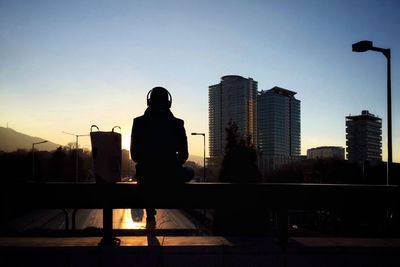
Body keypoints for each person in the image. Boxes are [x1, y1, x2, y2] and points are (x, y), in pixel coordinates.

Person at [130, 86, 192, 225]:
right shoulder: (177, 123)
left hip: (146, 176)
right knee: (189, 171)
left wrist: (150, 161)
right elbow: (184, 154)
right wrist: (170, 164)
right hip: (170, 175)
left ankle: (150, 214)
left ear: (149, 101)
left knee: (146, 174)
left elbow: (134, 155)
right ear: (169, 102)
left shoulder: (138, 122)